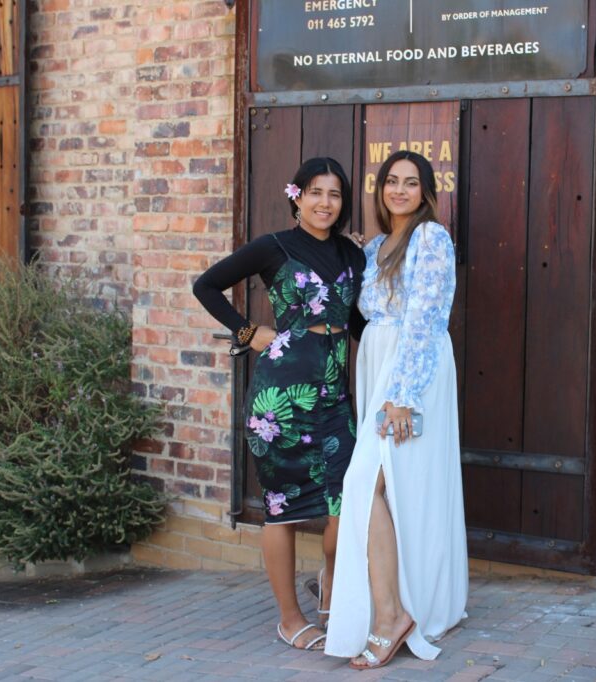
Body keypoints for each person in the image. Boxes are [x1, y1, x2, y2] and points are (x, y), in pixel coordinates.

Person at [192, 157, 365, 651]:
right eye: (315, 192)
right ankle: (291, 618)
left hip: (334, 393)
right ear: (298, 197)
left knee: (344, 508)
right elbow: (206, 285)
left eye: (334, 195)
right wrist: (248, 332)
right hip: (281, 399)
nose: (324, 203)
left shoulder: (353, 258)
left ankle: (330, 586)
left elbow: (356, 324)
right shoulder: (274, 246)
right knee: (282, 510)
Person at [325, 151, 468, 669]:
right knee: (391, 485)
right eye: (392, 181)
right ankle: (398, 603)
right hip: (378, 366)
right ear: (380, 189)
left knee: (369, 481)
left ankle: (392, 615)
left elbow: (427, 318)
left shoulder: (431, 238)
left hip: (412, 373)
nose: (400, 190)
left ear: (426, 192)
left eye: (411, 183)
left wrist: (402, 395)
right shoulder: (378, 247)